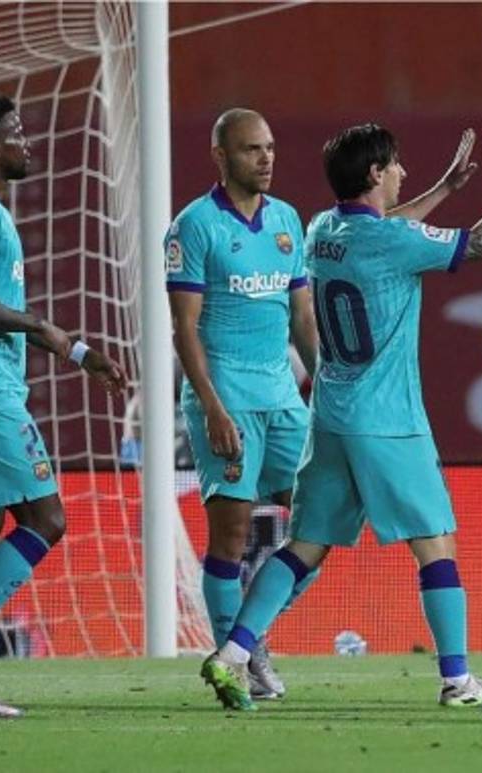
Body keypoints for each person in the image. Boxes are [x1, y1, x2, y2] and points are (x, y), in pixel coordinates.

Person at [200, 111, 482, 711]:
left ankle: (231, 654)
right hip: (389, 420)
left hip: (330, 416)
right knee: (437, 543)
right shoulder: (391, 241)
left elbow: (384, 228)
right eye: (398, 165)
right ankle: (457, 680)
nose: (405, 173)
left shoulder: (319, 229)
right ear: (377, 172)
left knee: (304, 545)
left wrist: (444, 189)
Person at [0, 94, 125, 719]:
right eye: (14, 133)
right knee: (46, 520)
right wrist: (46, 327)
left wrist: (79, 349)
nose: (24, 141)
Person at [165, 108, 321, 700]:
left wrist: (326, 385)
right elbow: (185, 327)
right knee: (230, 540)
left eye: (271, 147)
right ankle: (238, 660)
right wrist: (210, 407)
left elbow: (302, 316)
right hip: (226, 398)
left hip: (283, 399)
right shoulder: (194, 227)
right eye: (252, 149)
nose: (266, 158)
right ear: (221, 156)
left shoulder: (286, 221)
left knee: (317, 522)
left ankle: (248, 639)